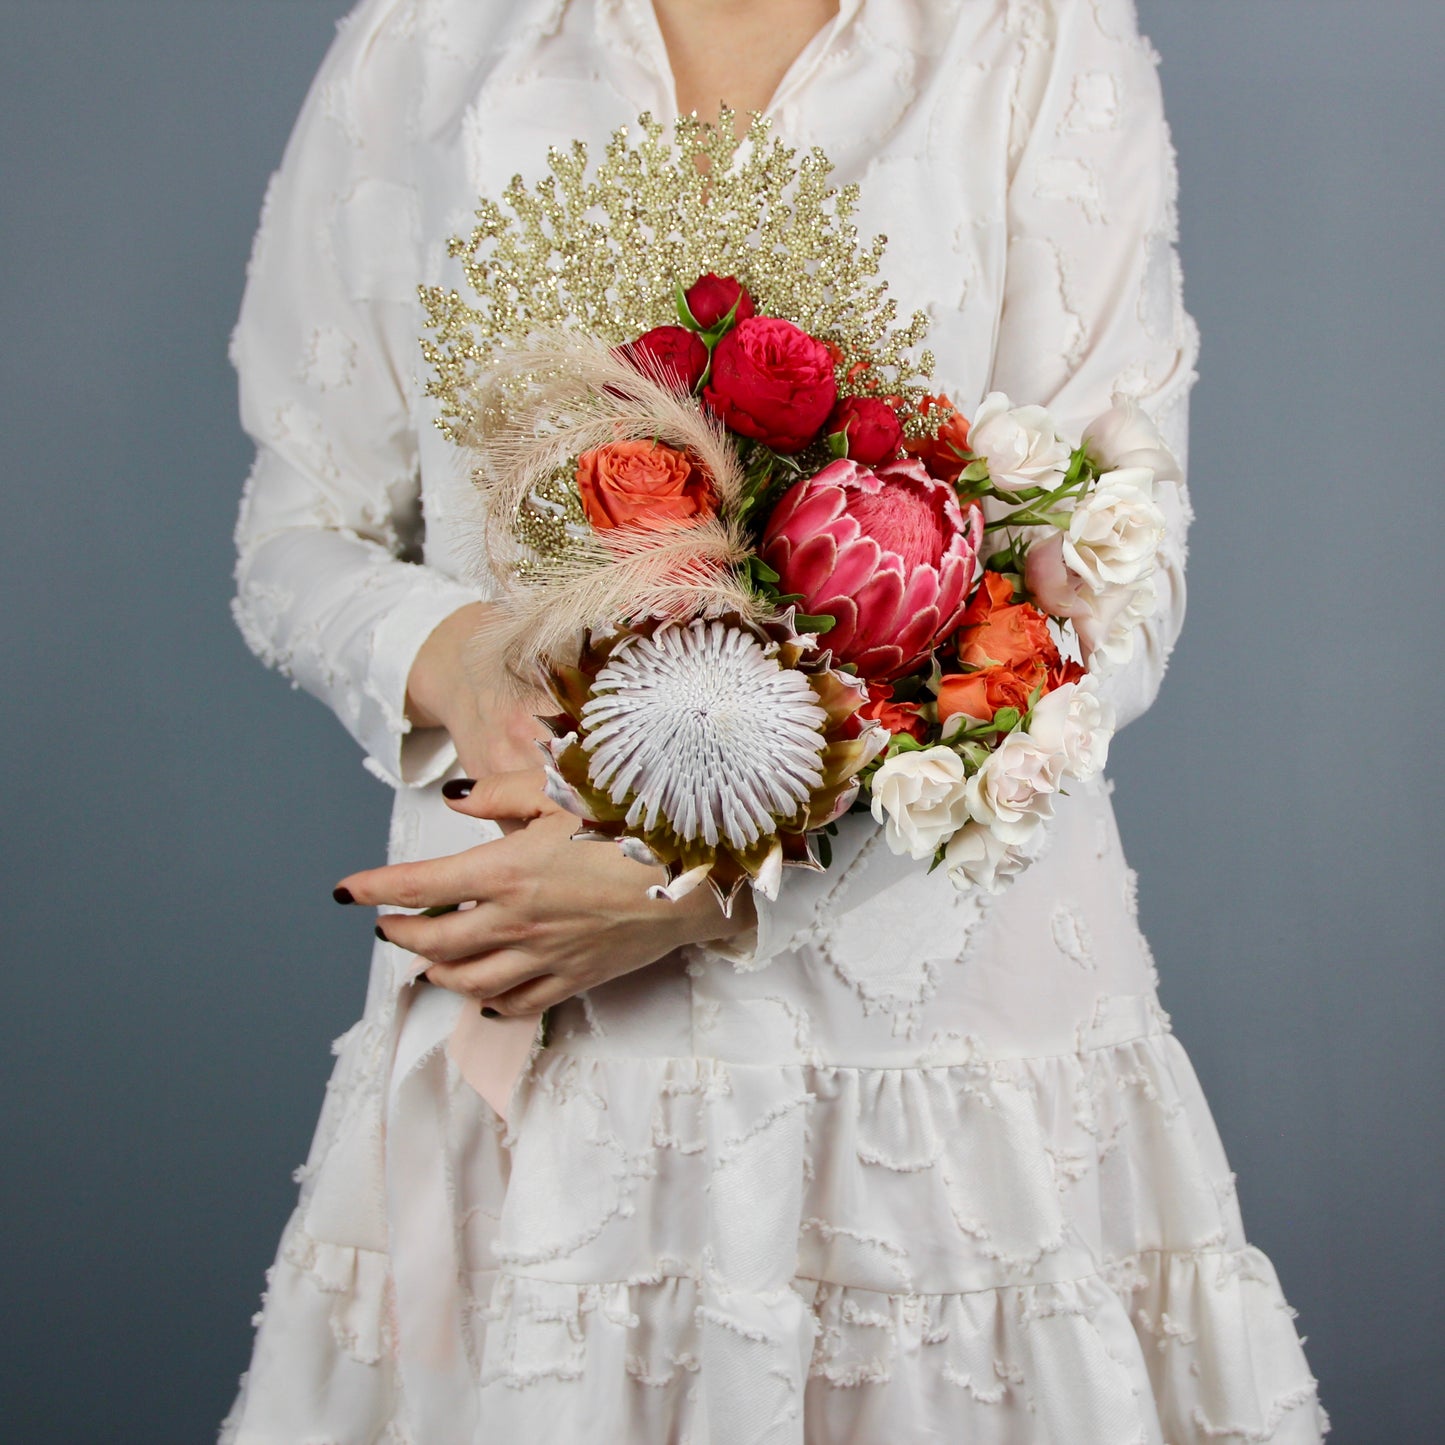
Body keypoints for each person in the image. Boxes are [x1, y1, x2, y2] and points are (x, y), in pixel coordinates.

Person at [221, 1, 1330, 1440]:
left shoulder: (1033, 36)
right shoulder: (428, 41)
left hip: (926, 1052)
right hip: (537, 1021)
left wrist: (699, 871)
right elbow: (294, 529)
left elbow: (1115, 570)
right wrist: (465, 662)